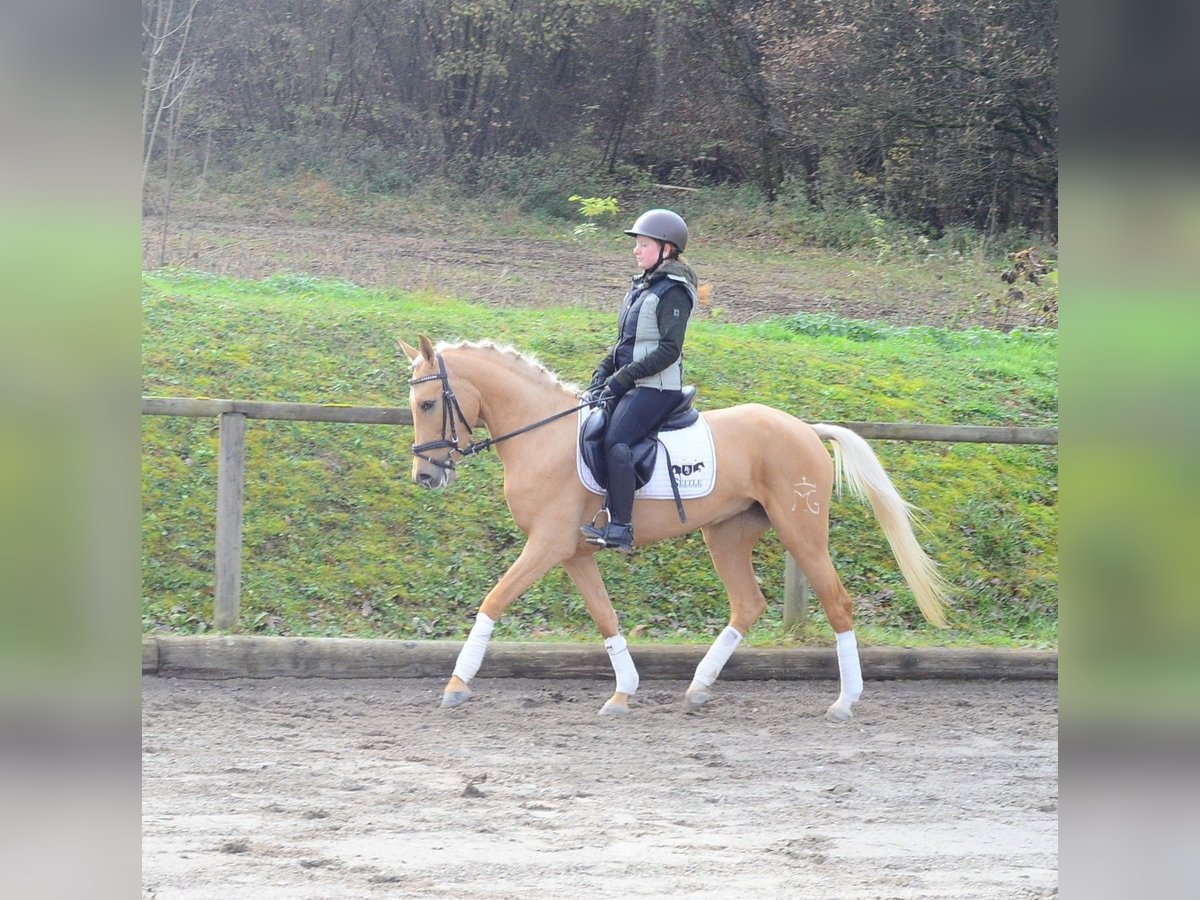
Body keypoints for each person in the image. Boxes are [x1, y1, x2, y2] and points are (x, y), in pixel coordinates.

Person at [580, 208, 699, 553]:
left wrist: (622, 379)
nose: (636, 250)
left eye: (643, 244)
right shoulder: (641, 287)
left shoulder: (673, 292)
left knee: (617, 441)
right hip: (631, 382)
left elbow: (668, 350)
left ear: (667, 249)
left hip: (657, 387)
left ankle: (621, 527)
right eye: (637, 244)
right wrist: (604, 370)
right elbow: (625, 344)